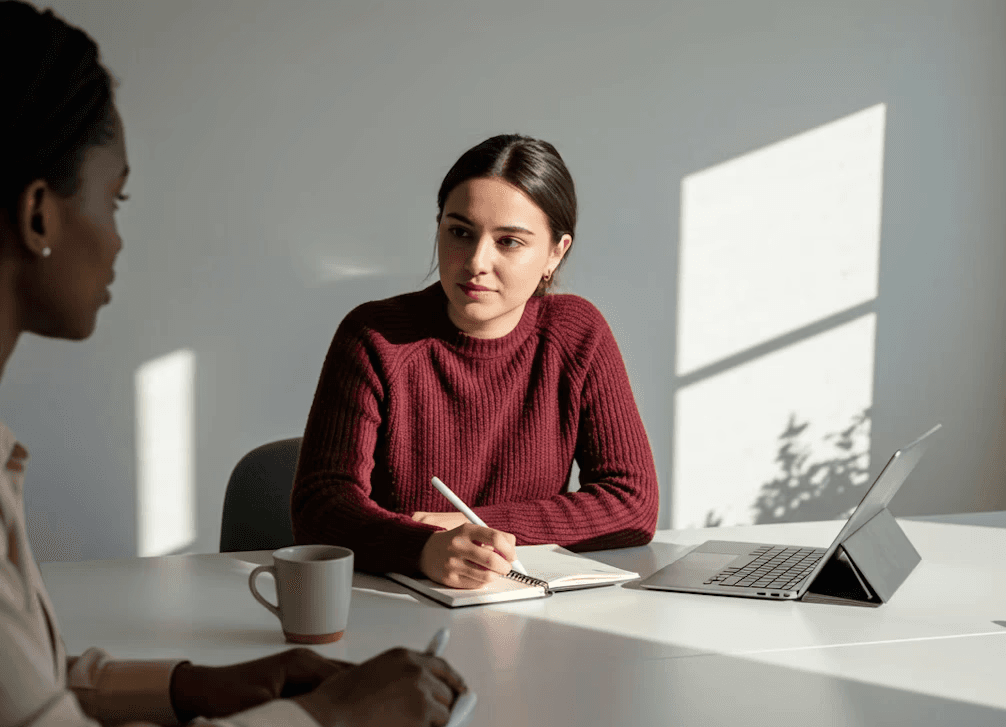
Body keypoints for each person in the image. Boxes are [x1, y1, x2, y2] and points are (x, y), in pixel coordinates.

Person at [0, 2, 466, 726]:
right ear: (38, 216)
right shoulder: (378, 332)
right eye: (115, 200)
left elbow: (28, 688)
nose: (120, 241)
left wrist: (190, 686)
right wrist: (330, 717)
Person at [291, 133, 659, 589]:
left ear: (555, 252)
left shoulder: (576, 334)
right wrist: (422, 548)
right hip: (391, 605)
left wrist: (476, 530)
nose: (476, 262)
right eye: (460, 232)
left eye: (508, 242)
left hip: (529, 605)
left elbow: (631, 504)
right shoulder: (375, 337)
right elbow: (320, 506)